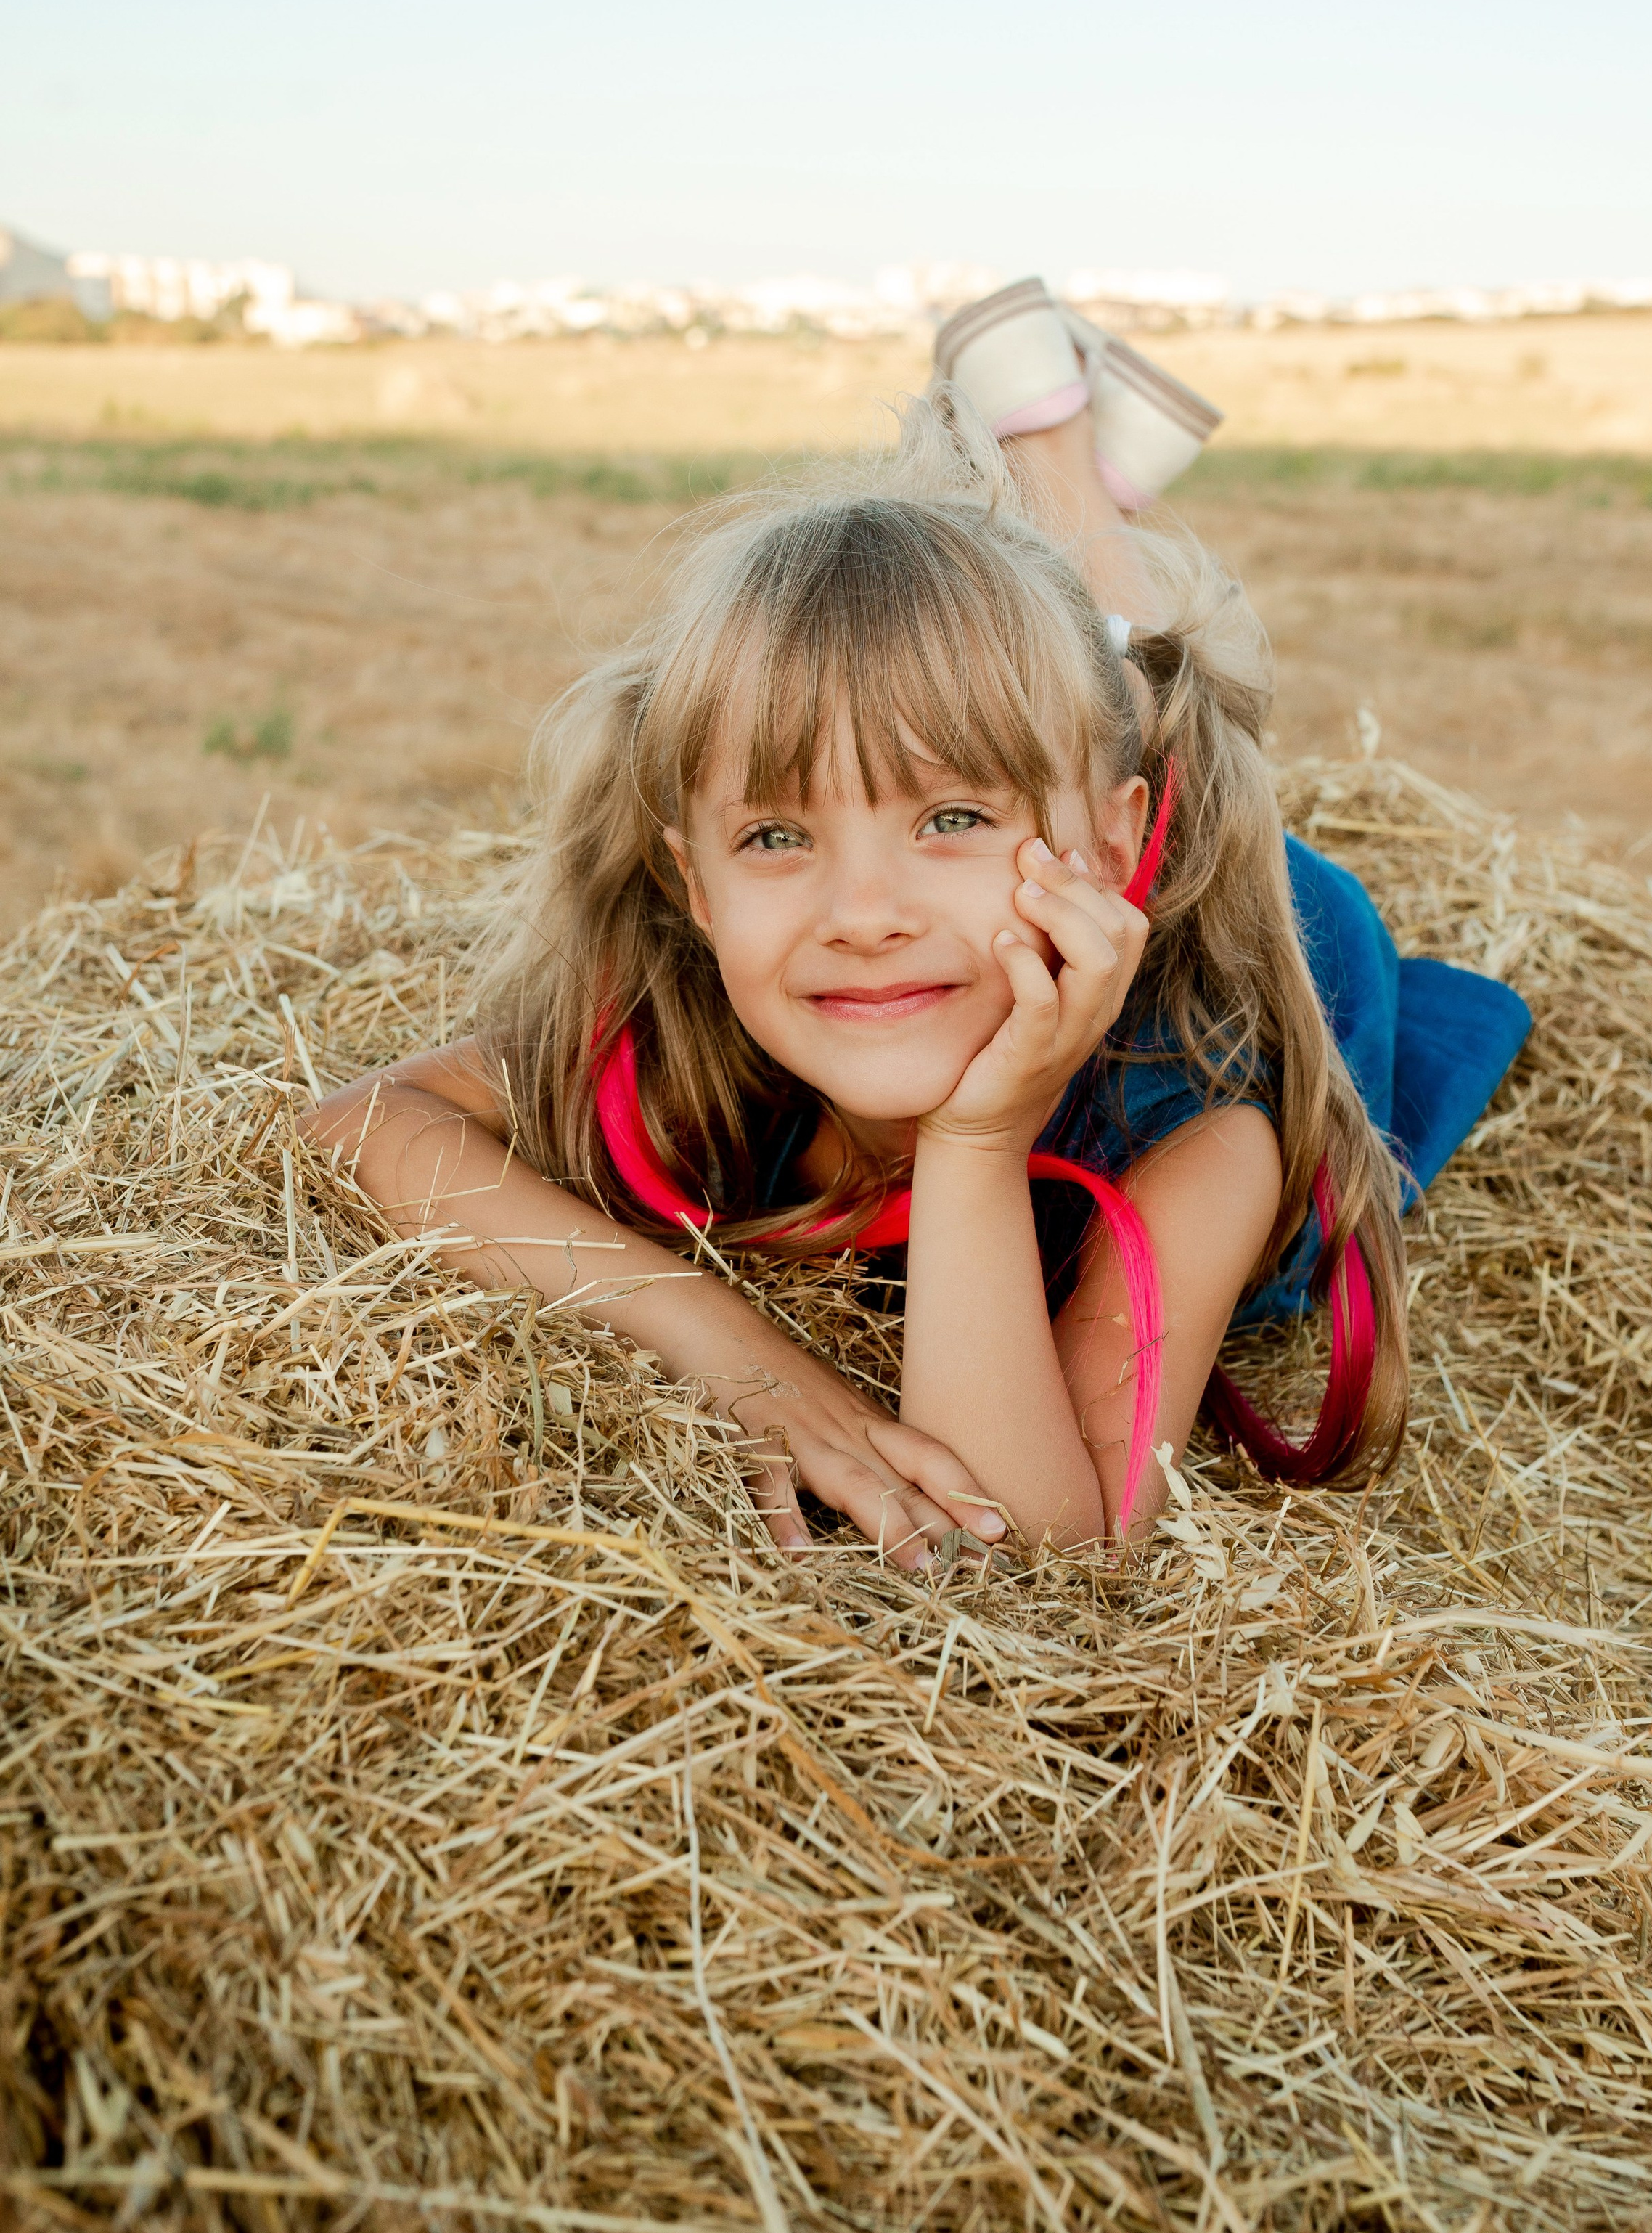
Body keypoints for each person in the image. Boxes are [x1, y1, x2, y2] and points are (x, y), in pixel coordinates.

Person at [303, 279, 1529, 1567]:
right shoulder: (695, 1003)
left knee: (1162, 714)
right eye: (777, 835)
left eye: (949, 818)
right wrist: (752, 1364)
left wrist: (976, 1139)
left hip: (1290, 941)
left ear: (1108, 849)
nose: (864, 915)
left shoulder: (1208, 1127)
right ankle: (1075, 521)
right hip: (1073, 835)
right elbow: (361, 1123)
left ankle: (1072, 507)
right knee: (1060, 695)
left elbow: (1049, 1550)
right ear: (691, 882)